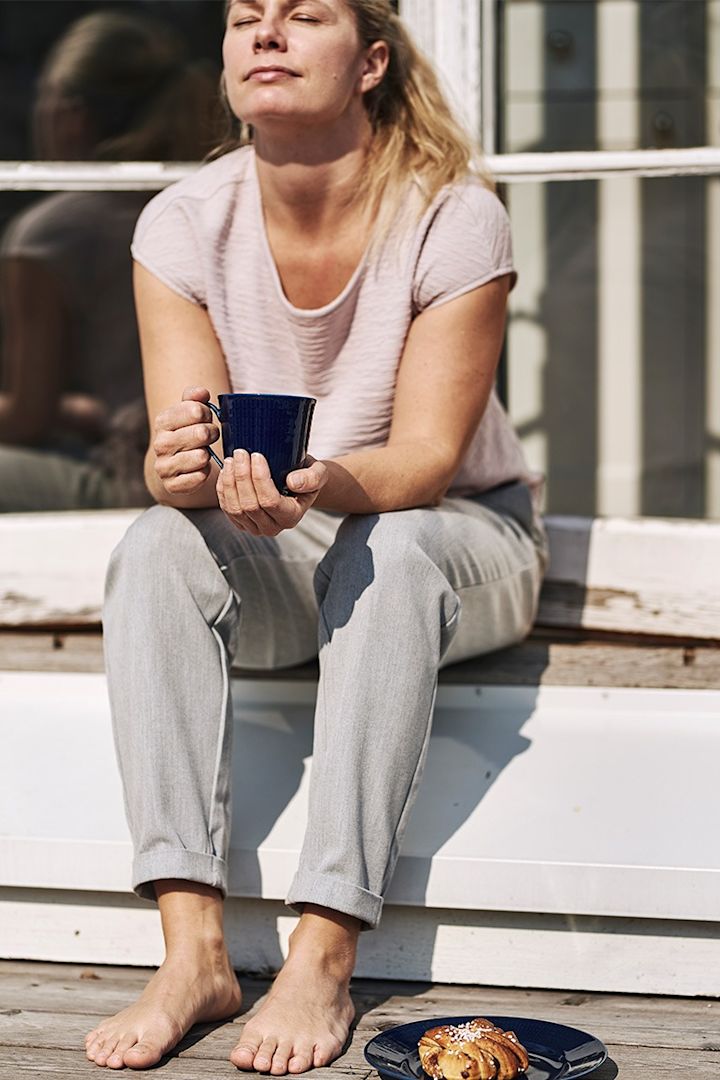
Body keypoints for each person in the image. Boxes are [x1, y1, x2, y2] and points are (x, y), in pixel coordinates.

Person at [91, 0, 549, 1073]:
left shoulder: (452, 215)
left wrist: (317, 481)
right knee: (154, 549)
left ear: (373, 60)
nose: (265, 34)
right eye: (245, 16)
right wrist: (178, 474)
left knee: (388, 551)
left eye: (302, 15)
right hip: (294, 541)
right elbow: (194, 454)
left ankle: (326, 949)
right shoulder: (179, 224)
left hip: (457, 536)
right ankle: (192, 945)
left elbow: (428, 461)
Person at [0, 10, 222, 511]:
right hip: (208, 469)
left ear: (72, 113)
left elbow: (24, 417)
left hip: (133, 476)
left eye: (45, 96)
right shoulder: (200, 205)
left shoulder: (51, 233)